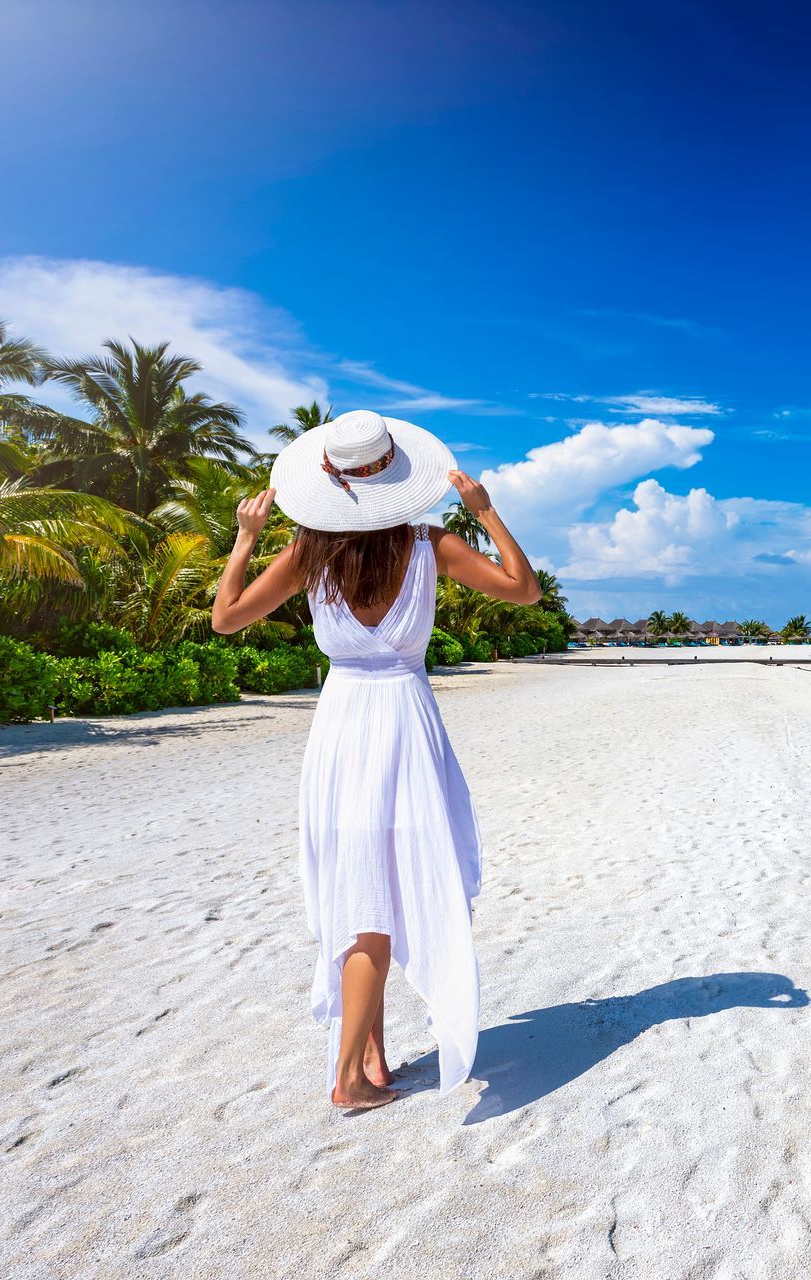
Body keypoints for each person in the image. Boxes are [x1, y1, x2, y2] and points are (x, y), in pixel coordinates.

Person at [211, 409, 540, 1111]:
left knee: (362, 885)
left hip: (341, 726)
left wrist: (244, 540)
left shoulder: (308, 553)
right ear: (394, 474)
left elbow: (227, 617)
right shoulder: (432, 544)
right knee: (376, 900)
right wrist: (487, 512)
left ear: (330, 479)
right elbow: (523, 588)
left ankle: (375, 1058)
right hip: (403, 721)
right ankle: (349, 1080)